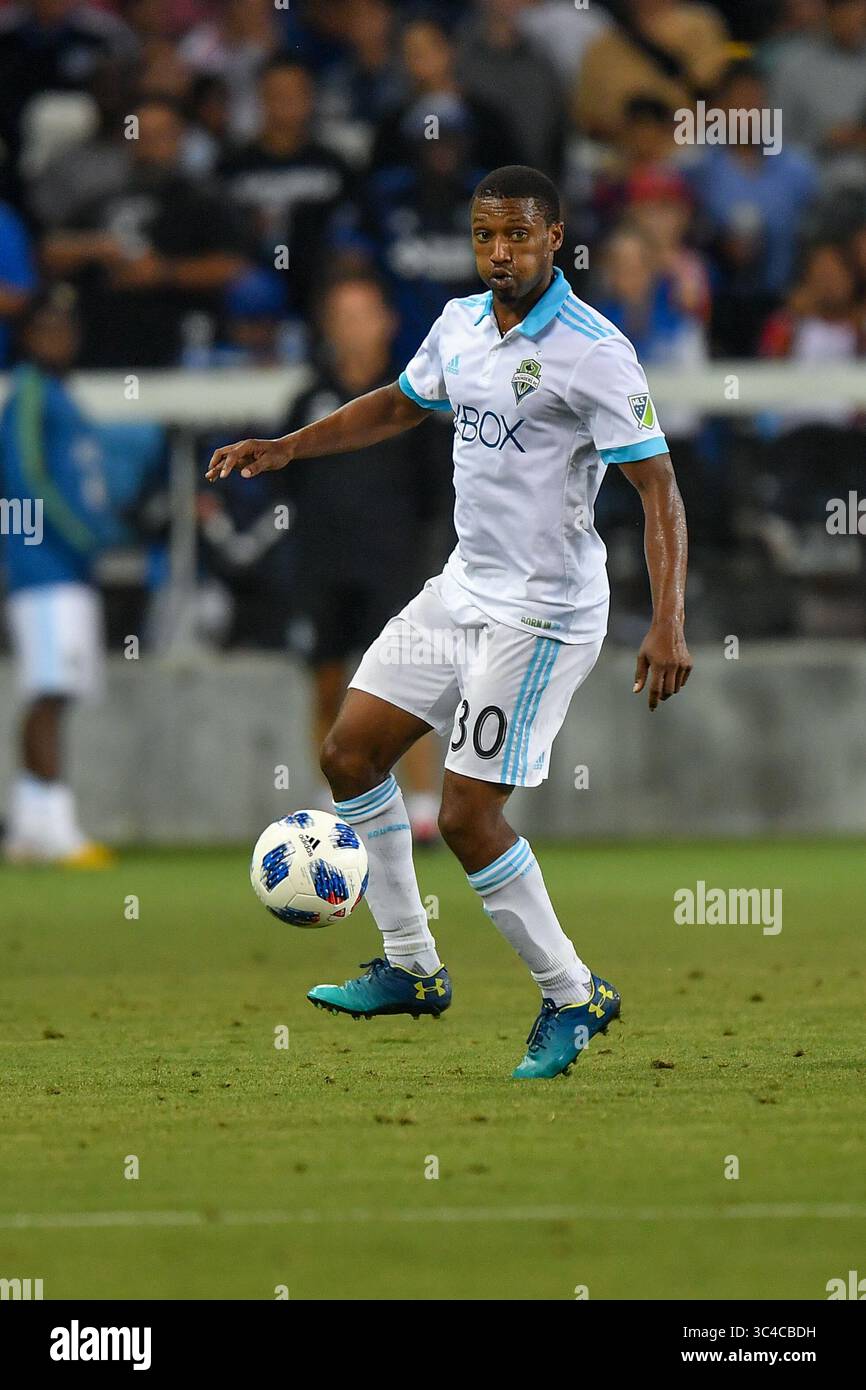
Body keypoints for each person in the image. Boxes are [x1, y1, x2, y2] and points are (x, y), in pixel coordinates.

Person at [206, 165, 692, 1081]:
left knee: (468, 814)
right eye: (483, 236)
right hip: (464, 589)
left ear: (555, 237)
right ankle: (411, 966)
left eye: (515, 235)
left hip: (543, 613)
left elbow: (657, 485)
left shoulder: (596, 350)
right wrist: (289, 447)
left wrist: (667, 620)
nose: (498, 252)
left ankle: (571, 993)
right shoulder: (459, 325)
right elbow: (398, 404)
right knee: (350, 753)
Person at [281, 271, 444, 845]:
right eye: (342, 317)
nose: (353, 329)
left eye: (363, 314)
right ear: (328, 327)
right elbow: (290, 483)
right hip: (323, 564)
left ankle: (422, 807)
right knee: (327, 683)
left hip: (392, 565)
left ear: (387, 323)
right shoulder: (307, 398)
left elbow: (435, 492)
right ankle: (336, 805)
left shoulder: (410, 403)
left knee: (408, 689)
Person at [1, 290, 113, 865]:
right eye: (47, 329)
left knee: (56, 692)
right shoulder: (29, 393)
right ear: (28, 338)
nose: (60, 339)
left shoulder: (59, 394)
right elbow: (27, 479)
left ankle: (29, 822)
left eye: (66, 329)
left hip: (64, 569)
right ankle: (55, 824)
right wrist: (81, 535)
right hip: (43, 565)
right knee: (49, 690)